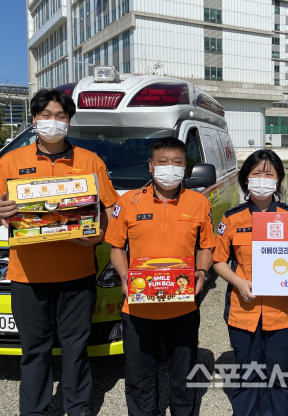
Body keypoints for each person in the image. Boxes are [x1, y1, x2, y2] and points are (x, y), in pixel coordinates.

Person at [0, 89, 119, 416]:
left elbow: (110, 211)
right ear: (34, 119)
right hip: (27, 277)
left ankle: (78, 409)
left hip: (77, 277)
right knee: (34, 352)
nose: (53, 123)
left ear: (69, 121)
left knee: (75, 350)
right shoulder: (11, 161)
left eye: (60, 116)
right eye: (46, 116)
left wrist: (97, 237)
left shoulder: (90, 161)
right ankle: (34, 411)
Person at [106, 137, 215, 416]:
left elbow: (206, 246)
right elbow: (116, 247)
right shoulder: (128, 201)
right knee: (140, 379)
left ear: (185, 167)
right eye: (163, 162)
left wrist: (202, 271)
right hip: (139, 306)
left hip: (183, 305)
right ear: (151, 167)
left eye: (177, 162)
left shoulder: (199, 203)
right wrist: (124, 274)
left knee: (183, 378)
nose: (170, 168)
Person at [213, 149, 288, 416]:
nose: (262, 179)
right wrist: (238, 282)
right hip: (243, 311)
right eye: (256, 174)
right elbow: (219, 261)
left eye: (269, 174)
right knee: (246, 373)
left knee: (280, 375)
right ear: (246, 179)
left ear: (278, 180)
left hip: (282, 312)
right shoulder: (232, 217)